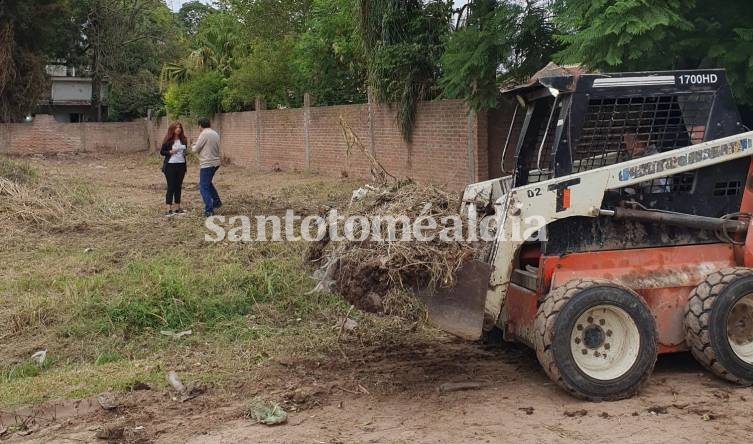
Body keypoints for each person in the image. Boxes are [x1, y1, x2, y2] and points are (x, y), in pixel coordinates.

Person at [191, 117, 222, 216]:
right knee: (208, 184)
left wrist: (192, 145)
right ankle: (217, 202)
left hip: (207, 164)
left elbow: (195, 149)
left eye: (198, 126)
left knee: (203, 187)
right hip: (215, 162)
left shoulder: (204, 134)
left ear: (200, 125)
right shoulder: (215, 133)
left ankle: (209, 210)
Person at [160, 122, 188, 217]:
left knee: (178, 186)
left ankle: (177, 208)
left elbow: (185, 151)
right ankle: (168, 209)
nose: (178, 129)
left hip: (181, 165)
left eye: (180, 127)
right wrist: (170, 152)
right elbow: (162, 152)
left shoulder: (183, 140)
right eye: (176, 128)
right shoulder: (168, 140)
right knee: (171, 186)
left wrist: (185, 153)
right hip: (170, 166)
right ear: (173, 129)